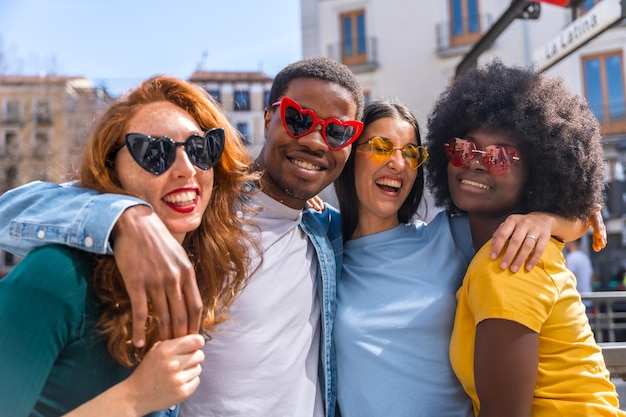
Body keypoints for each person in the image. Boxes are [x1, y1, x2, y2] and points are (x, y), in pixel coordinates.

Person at [0, 57, 365, 417]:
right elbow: (12, 208)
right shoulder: (200, 212)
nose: (317, 141)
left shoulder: (328, 230)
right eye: (298, 119)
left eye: (337, 131)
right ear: (269, 119)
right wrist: (122, 215)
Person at [325, 99, 605, 417]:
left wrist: (547, 220)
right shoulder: (322, 251)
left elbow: (578, 216)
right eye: (380, 147)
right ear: (348, 155)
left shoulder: (448, 235)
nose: (398, 163)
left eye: (412, 154)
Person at [0, 75, 260, 416]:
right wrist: (133, 399)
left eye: (200, 149)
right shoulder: (57, 277)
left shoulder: (191, 279)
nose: (186, 170)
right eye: (154, 152)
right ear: (111, 171)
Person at [424, 61, 624, 416]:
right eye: (464, 148)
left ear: (540, 174)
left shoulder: (508, 262)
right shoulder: (524, 243)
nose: (476, 163)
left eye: (500, 157)